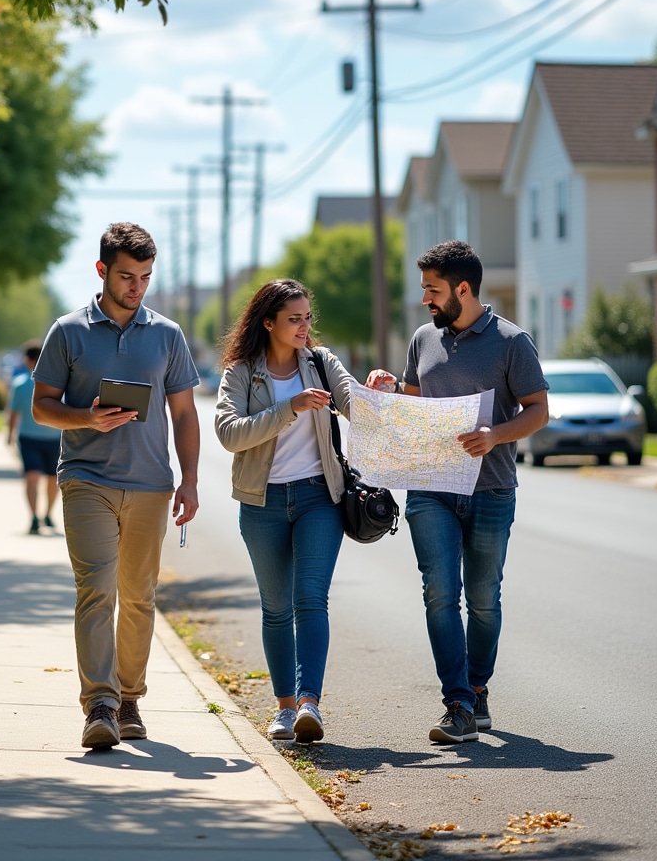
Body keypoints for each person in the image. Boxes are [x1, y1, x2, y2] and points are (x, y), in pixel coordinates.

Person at [366, 240, 548, 745]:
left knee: (484, 599)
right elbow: (420, 402)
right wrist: (390, 389)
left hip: (491, 489)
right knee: (440, 593)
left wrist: (495, 435)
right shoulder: (424, 338)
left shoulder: (513, 342)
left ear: (462, 289)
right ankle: (459, 703)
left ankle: (477, 687)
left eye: (433, 290)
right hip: (430, 488)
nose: (425, 299)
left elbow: (538, 410)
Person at [32, 222, 200, 750]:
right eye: (127, 276)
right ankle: (99, 706)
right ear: (102, 270)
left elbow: (185, 415)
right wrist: (86, 418)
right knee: (96, 590)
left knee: (139, 597)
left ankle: (130, 700)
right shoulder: (68, 331)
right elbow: (41, 405)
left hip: (151, 484)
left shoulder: (167, 335)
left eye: (146, 277)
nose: (137, 287)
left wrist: (189, 480)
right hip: (86, 480)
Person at [214, 279, 353, 744]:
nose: (303, 326)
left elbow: (354, 403)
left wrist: (380, 392)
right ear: (268, 321)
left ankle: (310, 703)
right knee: (276, 609)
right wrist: (288, 408)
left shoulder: (321, 363)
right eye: (294, 318)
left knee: (310, 598)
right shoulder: (240, 373)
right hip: (262, 502)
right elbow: (230, 434)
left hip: (319, 497)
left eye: (307, 317)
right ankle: (285, 708)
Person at [7, 340, 62, 535]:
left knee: (52, 479)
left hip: (54, 438)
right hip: (29, 438)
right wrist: (10, 435)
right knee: (33, 477)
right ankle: (33, 518)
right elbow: (13, 413)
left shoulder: (58, 383)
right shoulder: (20, 384)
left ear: (26, 359)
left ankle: (46, 514)